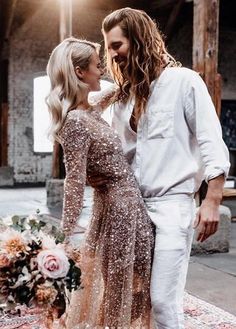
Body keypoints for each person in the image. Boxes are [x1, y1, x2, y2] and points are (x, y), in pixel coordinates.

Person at [89, 7, 230, 329]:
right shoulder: (120, 98)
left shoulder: (184, 82)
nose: (112, 54)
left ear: (138, 40)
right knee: (131, 298)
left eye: (117, 45)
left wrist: (213, 200)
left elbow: (211, 141)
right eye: (108, 47)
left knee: (164, 302)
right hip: (129, 210)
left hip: (172, 206)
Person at [46, 37, 154, 329]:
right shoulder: (75, 122)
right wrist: (65, 236)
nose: (102, 71)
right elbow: (75, 180)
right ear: (80, 72)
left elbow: (117, 90)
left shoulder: (90, 109)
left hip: (129, 207)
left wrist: (144, 68)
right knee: (122, 288)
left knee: (136, 286)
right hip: (118, 212)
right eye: (97, 65)